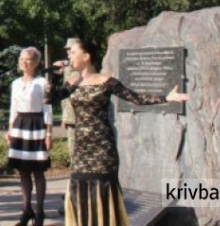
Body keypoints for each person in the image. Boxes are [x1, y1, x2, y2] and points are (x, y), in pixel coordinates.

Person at [46, 39, 190, 226]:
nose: (68, 55)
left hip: (102, 148)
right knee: (80, 192)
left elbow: (136, 98)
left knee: (104, 195)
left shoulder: (107, 81)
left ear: (86, 56)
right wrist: (54, 76)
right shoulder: (73, 82)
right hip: (81, 150)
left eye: (73, 52)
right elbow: (49, 99)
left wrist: (166, 97)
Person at [6, 47, 53, 226]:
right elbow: (13, 107)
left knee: (38, 171)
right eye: (22, 59)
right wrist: (10, 129)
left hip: (36, 125)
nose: (24, 63)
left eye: (28, 60)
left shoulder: (42, 82)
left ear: (36, 63)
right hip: (20, 125)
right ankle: (26, 210)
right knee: (23, 171)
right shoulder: (16, 83)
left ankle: (40, 211)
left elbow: (48, 108)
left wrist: (49, 133)